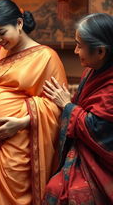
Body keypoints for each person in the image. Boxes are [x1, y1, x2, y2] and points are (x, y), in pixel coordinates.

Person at [0, 0, 68, 205]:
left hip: (21, 143)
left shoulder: (46, 57)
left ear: (19, 23)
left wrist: (22, 121)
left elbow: (58, 107)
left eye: (1, 32)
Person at [42, 13, 113, 204]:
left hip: (102, 160)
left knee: (64, 191)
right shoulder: (90, 71)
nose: (75, 51)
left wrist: (67, 105)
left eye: (80, 46)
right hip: (83, 150)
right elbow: (80, 106)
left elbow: (99, 130)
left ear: (101, 52)